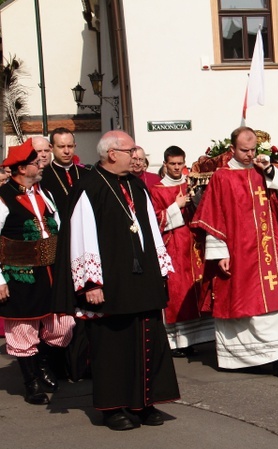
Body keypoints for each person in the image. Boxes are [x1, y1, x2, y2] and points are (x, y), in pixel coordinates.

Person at [54, 130, 180, 430]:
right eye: (130, 150)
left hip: (141, 280)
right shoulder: (90, 186)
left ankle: (144, 403)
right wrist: (91, 283)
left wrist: (160, 269)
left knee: (147, 340)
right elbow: (82, 236)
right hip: (109, 283)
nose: (135, 155)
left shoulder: (136, 186)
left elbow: (149, 228)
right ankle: (113, 408)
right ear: (112, 153)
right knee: (113, 346)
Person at [190, 126, 278, 376]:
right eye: (244, 150)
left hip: (269, 251)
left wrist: (270, 170)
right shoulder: (222, 177)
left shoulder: (265, 173)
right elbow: (213, 217)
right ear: (232, 150)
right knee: (242, 302)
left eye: (253, 150)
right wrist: (221, 254)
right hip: (238, 251)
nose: (250, 155)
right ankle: (245, 358)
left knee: (276, 302)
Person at [0, 139, 74, 405]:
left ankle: (42, 363)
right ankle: (31, 382)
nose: (40, 164)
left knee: (63, 324)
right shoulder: (3, 196)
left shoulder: (44, 193)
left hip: (50, 270)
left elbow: (58, 226)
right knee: (22, 327)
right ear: (21, 168)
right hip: (20, 273)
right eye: (34, 162)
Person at [149, 146, 215, 358]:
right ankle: (180, 341)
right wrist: (176, 206)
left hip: (195, 242)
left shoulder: (192, 183)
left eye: (180, 164)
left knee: (200, 286)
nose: (177, 168)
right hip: (175, 245)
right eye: (173, 164)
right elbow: (155, 220)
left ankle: (203, 336)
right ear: (165, 164)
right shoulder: (157, 190)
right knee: (178, 290)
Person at [40, 127, 90, 223]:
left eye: (70, 146)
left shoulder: (86, 173)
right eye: (61, 147)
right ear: (51, 148)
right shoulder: (43, 177)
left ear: (75, 146)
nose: (66, 151)